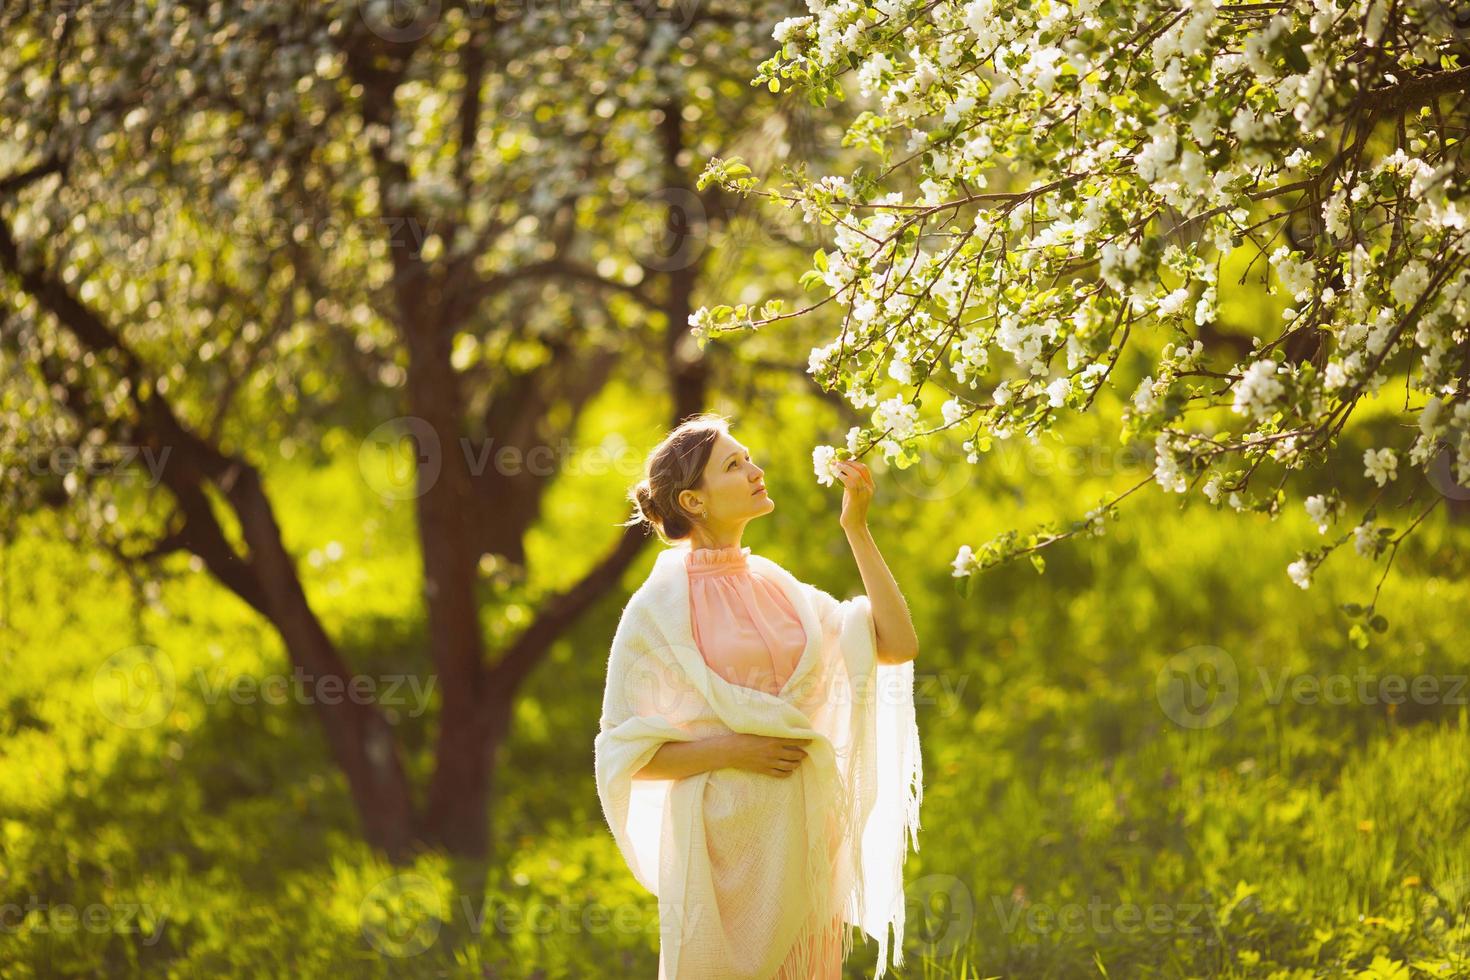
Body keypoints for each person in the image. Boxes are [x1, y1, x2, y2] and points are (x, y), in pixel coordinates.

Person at [594, 412, 923, 979]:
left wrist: (858, 530)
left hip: (802, 842)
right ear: (694, 502)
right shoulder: (656, 611)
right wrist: (733, 750)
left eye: (748, 457)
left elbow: (897, 643)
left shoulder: (782, 590)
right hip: (720, 852)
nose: (754, 469)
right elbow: (623, 755)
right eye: (733, 464)